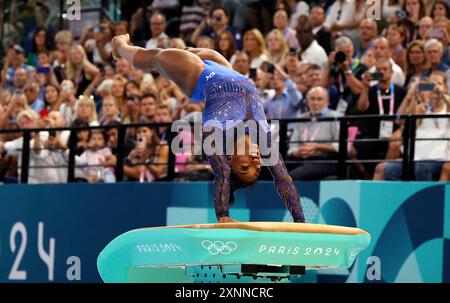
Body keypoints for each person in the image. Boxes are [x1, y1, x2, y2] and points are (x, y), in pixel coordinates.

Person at [112, 33, 305, 223]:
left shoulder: (217, 138)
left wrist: (223, 216)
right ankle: (128, 51)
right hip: (226, 70)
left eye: (245, 167)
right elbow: (283, 179)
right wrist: (300, 222)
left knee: (156, 57)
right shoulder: (263, 138)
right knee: (189, 52)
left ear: (230, 160)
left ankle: (120, 47)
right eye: (257, 167)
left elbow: (222, 176)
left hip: (198, 74)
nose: (256, 161)